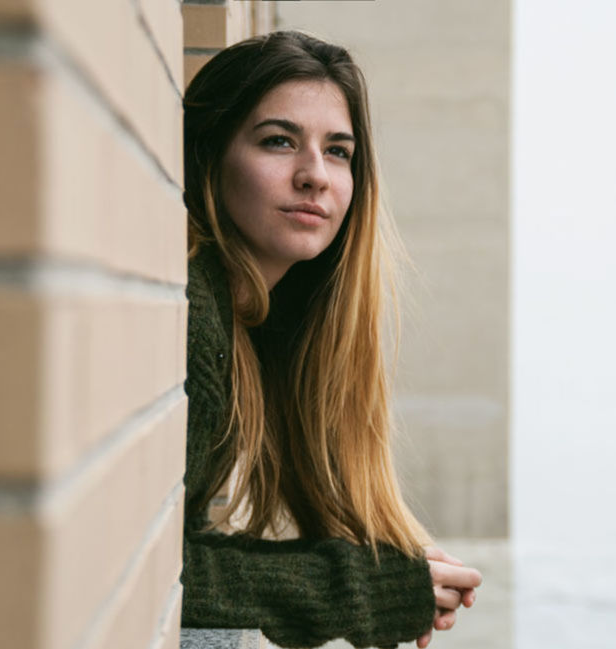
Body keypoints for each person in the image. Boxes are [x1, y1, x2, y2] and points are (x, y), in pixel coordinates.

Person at [180, 31, 482, 649]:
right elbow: (156, 562)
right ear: (210, 156)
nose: (315, 176)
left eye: (339, 152)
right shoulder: (193, 319)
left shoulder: (257, 321)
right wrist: (353, 587)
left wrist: (390, 573)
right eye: (278, 141)